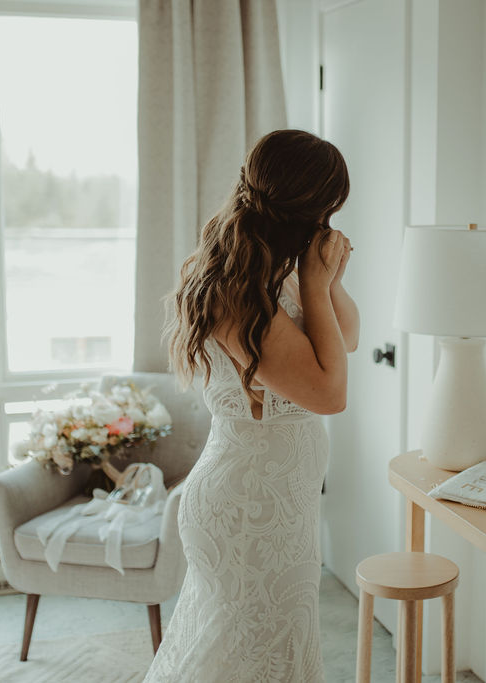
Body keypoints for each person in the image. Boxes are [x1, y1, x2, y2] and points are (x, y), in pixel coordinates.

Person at [144, 129, 358, 682]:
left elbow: (348, 337)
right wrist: (313, 281)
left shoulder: (272, 272)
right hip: (250, 508)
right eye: (329, 210)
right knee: (243, 660)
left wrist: (326, 279)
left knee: (258, 657)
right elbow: (330, 393)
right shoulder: (239, 293)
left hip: (275, 502)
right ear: (311, 210)